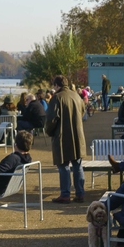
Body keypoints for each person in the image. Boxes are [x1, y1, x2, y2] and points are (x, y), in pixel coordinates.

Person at [46, 75, 88, 204]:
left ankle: (65, 194)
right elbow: (82, 111)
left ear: (57, 85)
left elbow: (51, 120)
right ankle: (80, 193)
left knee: (63, 165)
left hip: (62, 136)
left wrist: (49, 131)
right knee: (77, 165)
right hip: (77, 135)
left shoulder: (56, 98)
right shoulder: (76, 96)